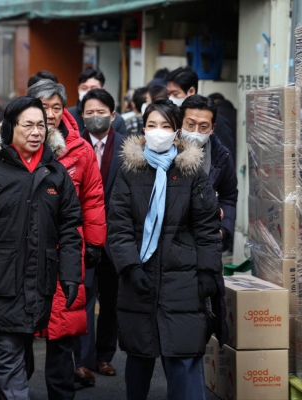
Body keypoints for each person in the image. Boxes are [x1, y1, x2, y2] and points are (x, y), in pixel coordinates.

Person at [0, 96, 83, 399]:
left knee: (21, 357)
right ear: (10, 128)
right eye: (28, 125)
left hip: (40, 282)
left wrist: (71, 275)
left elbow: (71, 230)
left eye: (41, 126)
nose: (36, 132)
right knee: (9, 360)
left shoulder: (55, 172)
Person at [107, 99, 224, 400]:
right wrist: (130, 266)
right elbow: (118, 226)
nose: (158, 132)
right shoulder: (129, 170)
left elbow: (207, 226)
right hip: (139, 278)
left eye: (166, 126)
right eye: (152, 125)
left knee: (184, 358)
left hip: (183, 278)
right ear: (143, 129)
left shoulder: (191, 170)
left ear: (176, 131)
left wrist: (209, 270)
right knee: (139, 356)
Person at [26, 80, 106, 396]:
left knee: (63, 328)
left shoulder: (80, 148)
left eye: (56, 107)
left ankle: (61, 392)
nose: (50, 114)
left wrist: (96, 242)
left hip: (67, 250)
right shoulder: (15, 143)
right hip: (26, 250)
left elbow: (93, 197)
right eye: (43, 107)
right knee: (20, 331)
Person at [77, 88, 126, 379]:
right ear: (82, 116)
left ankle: (105, 356)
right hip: (82, 236)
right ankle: (84, 360)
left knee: (111, 300)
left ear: (113, 115)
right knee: (83, 297)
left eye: (101, 111)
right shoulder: (71, 146)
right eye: (90, 112)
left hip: (115, 237)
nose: (96, 117)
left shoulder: (127, 147)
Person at [181, 95, 238, 250]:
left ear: (212, 128)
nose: (196, 132)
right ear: (180, 123)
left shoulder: (221, 156)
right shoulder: (164, 151)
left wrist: (223, 231)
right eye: (190, 125)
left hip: (203, 241)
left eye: (203, 127)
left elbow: (229, 196)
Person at [166, 67, 235, 156]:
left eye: (175, 94)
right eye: (168, 94)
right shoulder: (170, 118)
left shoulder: (219, 122)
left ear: (191, 91)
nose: (170, 98)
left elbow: (226, 159)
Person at [67, 67, 126, 136]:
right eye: (84, 88)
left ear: (103, 90)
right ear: (78, 89)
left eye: (93, 88)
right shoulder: (67, 116)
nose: (88, 92)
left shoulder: (117, 120)